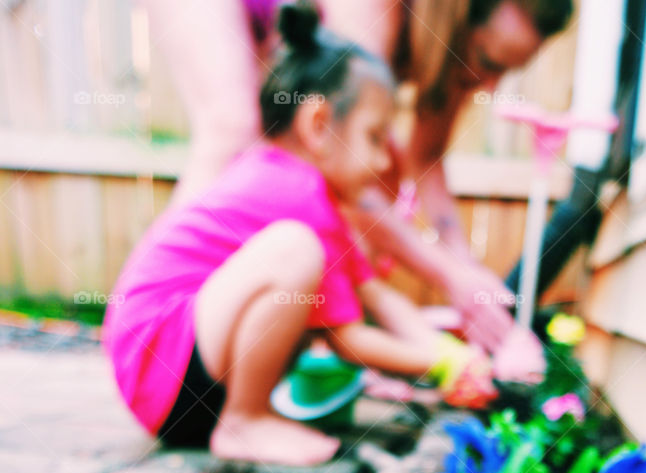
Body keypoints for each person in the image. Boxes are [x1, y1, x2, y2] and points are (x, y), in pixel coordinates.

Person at [103, 2, 494, 466]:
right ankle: (245, 421)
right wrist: (440, 364)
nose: (387, 161)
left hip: (174, 378)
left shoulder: (313, 197)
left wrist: (450, 355)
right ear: (319, 125)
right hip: (164, 366)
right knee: (296, 250)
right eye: (374, 136)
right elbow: (349, 338)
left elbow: (376, 297)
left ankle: (246, 415)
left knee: (303, 254)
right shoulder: (295, 194)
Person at [144, 0, 573, 353]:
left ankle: (316, 332)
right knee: (233, 125)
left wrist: (466, 275)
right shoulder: (372, 11)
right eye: (487, 60)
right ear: (456, 15)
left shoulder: (451, 59)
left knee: (379, 162)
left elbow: (425, 159)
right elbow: (340, 156)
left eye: (506, 71)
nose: (491, 84)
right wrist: (448, 281)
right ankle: (157, 330)